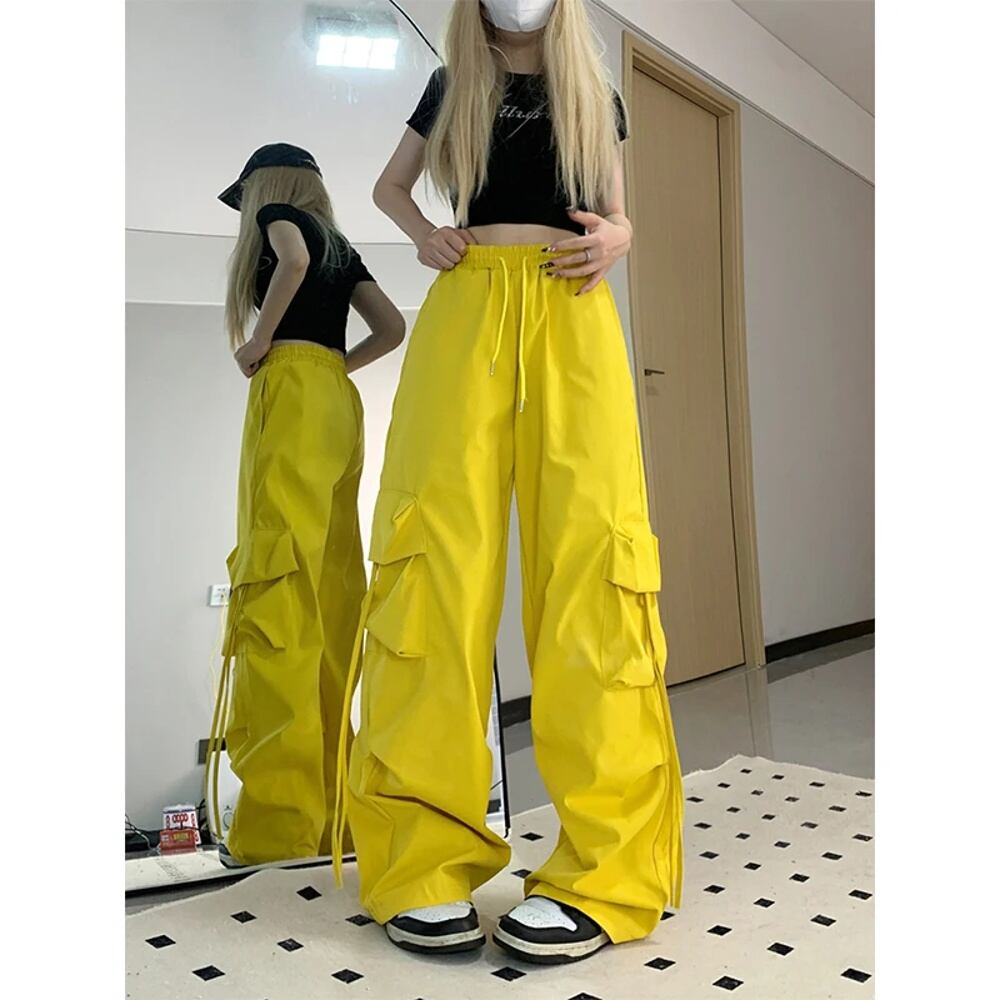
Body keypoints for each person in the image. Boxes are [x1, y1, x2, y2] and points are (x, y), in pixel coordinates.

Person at [332, 0, 684, 964]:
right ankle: (421, 858)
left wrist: (619, 238)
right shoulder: (453, 86)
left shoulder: (592, 91)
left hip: (572, 305)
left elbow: (617, 215)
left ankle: (605, 868)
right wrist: (423, 233)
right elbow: (390, 186)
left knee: (594, 570)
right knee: (432, 569)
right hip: (468, 310)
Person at [206, 143, 405, 869]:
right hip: (336, 403)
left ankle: (279, 832)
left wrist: (261, 342)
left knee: (277, 587)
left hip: (291, 390)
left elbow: (289, 260)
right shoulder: (343, 249)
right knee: (331, 590)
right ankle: (334, 825)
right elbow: (393, 328)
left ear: (265, 186)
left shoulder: (280, 218)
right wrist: (334, 367)